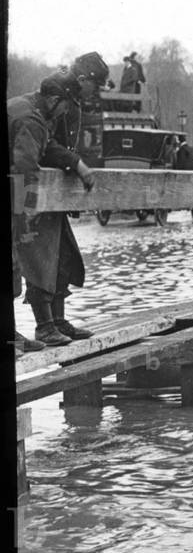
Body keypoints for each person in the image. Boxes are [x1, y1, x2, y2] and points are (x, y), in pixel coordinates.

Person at [9, 65, 104, 346]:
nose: (66, 113)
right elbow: (25, 170)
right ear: (54, 100)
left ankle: (48, 325)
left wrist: (76, 163)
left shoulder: (30, 107)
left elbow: (45, 147)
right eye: (66, 106)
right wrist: (24, 216)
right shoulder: (31, 118)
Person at [174, 135, 193, 221]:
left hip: (187, 178)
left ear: (179, 142)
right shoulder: (192, 149)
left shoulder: (180, 151)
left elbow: (180, 166)